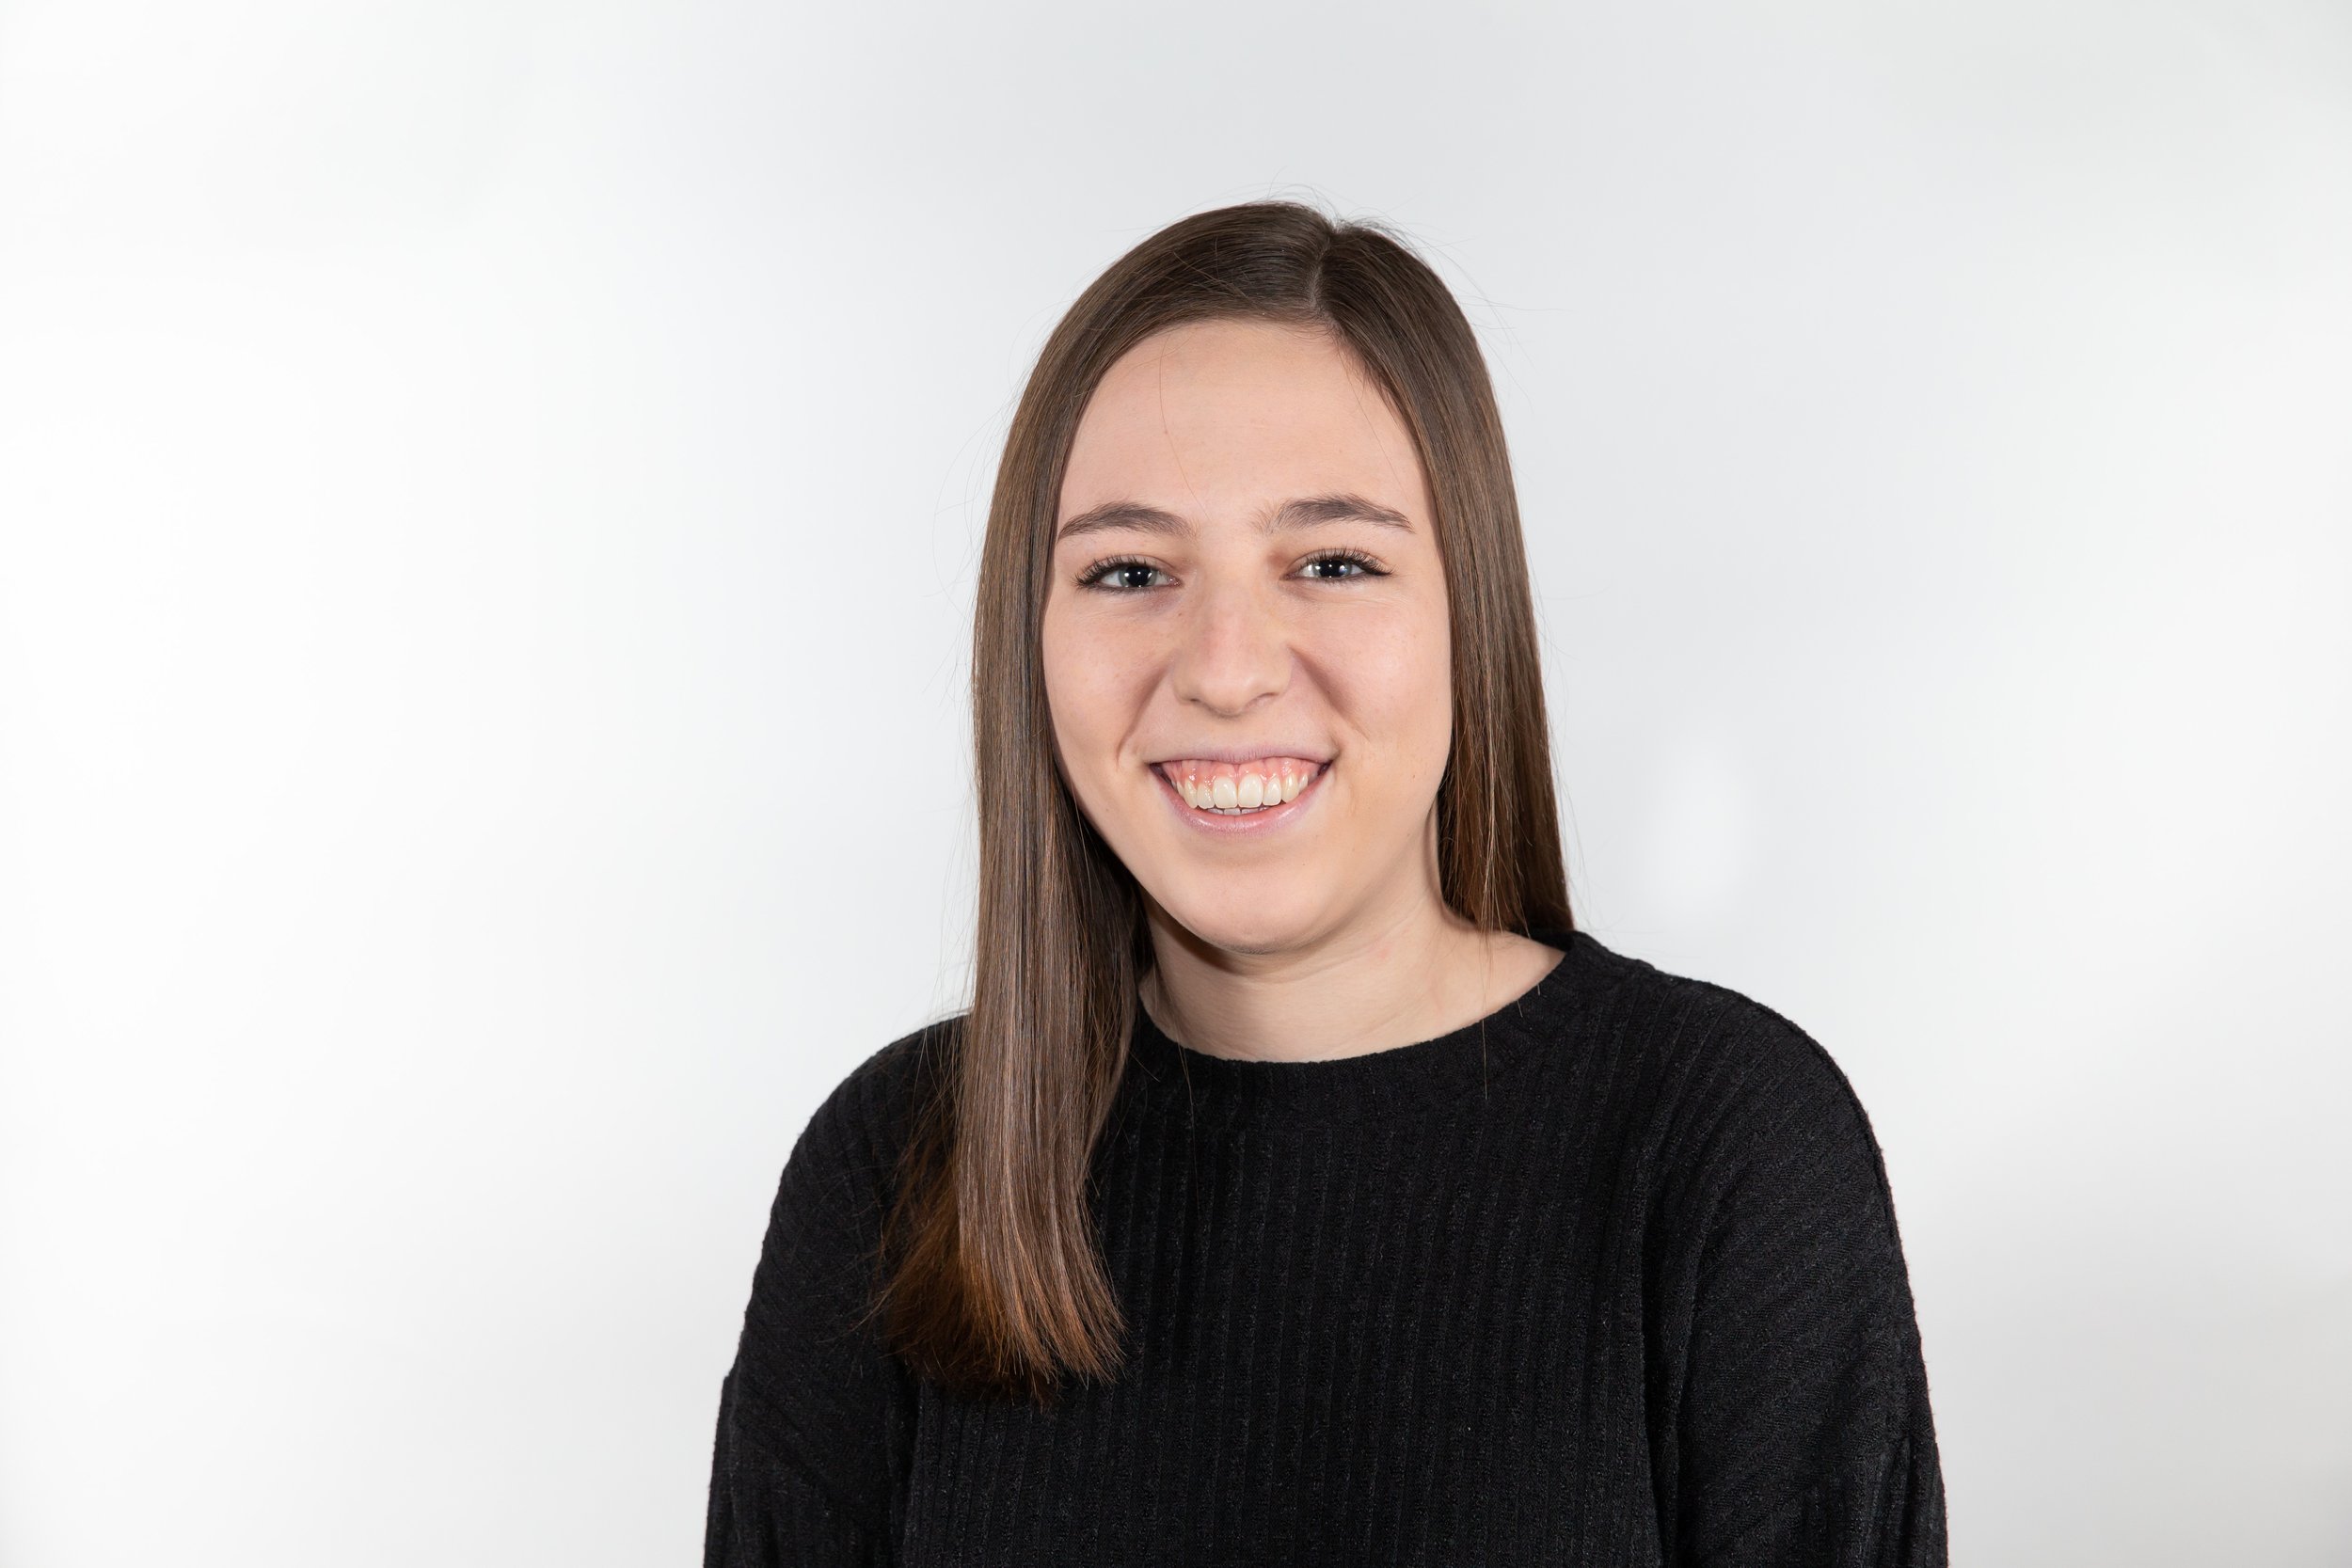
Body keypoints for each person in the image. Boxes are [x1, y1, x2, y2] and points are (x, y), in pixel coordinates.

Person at [704, 199, 1947, 1565]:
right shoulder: (892, 1170)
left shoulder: (1726, 1147)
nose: (1227, 668)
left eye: (1335, 562)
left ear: (1469, 613)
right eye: (1130, 569)